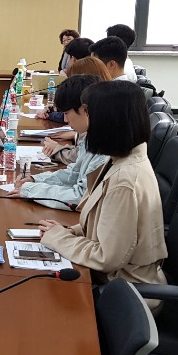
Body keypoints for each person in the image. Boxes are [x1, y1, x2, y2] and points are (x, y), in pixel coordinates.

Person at [39, 81, 167, 291]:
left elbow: (106, 258)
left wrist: (59, 238)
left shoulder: (124, 181)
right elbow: (105, 228)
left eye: (88, 113)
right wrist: (67, 232)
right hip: (114, 279)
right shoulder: (121, 159)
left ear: (106, 121)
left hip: (124, 290)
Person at [8, 75, 108, 210]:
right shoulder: (92, 136)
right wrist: (35, 180)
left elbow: (81, 198)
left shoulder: (105, 146)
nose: (65, 120)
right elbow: (74, 174)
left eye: (66, 113)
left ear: (85, 109)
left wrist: (31, 190)